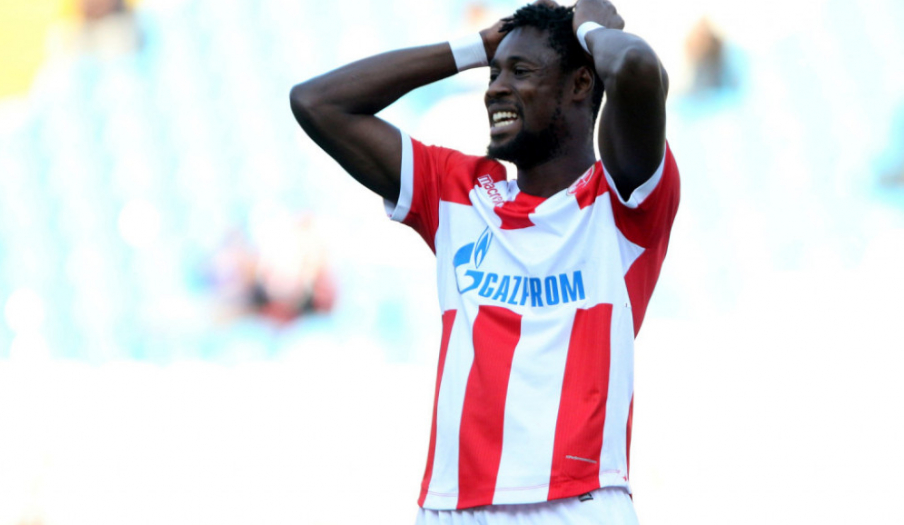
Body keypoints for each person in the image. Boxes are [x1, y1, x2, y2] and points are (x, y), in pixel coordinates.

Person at [290, 0, 679, 523]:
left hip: (579, 501)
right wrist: (473, 49)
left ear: (580, 84)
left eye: (520, 72)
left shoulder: (621, 201)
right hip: (452, 505)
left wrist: (588, 27)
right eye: (494, 74)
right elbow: (316, 102)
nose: (495, 88)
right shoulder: (458, 192)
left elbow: (635, 67)